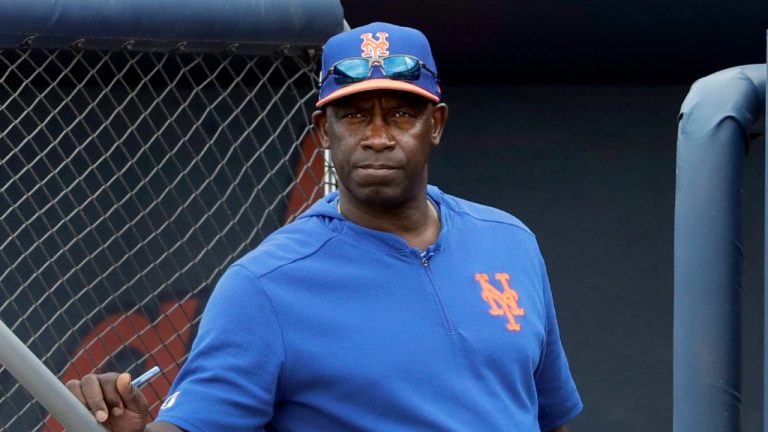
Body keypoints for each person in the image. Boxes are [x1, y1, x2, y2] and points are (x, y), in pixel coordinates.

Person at [66, 22, 582, 431]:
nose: (378, 136)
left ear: (437, 124)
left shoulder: (510, 242)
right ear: (324, 131)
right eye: (355, 116)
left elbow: (546, 417)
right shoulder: (265, 285)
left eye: (401, 113)